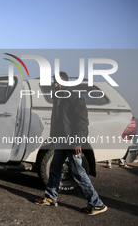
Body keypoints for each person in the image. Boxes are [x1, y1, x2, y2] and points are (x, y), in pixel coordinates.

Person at [34, 72, 107, 215]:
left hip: (72, 141)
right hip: (61, 141)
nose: (55, 85)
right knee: (54, 168)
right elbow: (58, 120)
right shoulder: (58, 96)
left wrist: (78, 142)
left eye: (58, 82)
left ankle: (97, 203)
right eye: (54, 82)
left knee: (78, 172)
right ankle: (50, 197)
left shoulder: (75, 97)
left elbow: (82, 122)